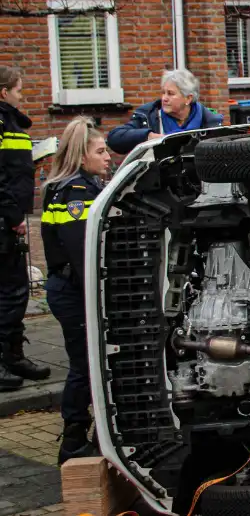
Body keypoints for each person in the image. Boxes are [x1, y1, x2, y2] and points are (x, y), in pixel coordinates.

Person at [41, 117, 110, 462]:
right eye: (100, 151)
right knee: (84, 363)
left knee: (88, 361)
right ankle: (72, 440)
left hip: (69, 287)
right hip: (72, 290)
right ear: (82, 157)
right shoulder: (76, 191)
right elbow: (84, 250)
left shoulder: (78, 185)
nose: (108, 156)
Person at [0, 67, 51, 392]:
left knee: (15, 291)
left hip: (8, 219)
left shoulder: (11, 121)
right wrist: (13, 215)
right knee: (8, 293)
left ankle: (14, 355)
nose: (22, 96)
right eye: (18, 90)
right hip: (4, 221)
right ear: (4, 92)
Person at [107, 69, 224, 154]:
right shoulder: (148, 115)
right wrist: (148, 136)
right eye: (163, 92)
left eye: (170, 94)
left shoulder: (209, 121)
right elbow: (114, 139)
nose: (164, 98)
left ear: (188, 98)